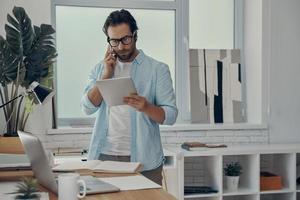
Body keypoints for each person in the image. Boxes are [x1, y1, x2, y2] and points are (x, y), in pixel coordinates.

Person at [81, 9, 177, 185]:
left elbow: (170, 116)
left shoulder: (157, 69)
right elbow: (87, 107)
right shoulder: (100, 69)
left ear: (135, 35)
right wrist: (105, 76)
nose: (121, 47)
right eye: (114, 41)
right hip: (104, 156)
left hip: (144, 161)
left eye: (125, 39)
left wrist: (146, 107)